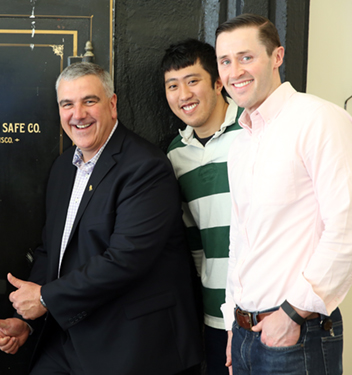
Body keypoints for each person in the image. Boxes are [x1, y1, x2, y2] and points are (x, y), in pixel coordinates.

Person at [0, 62, 202, 375]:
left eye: (90, 101)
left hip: (130, 344)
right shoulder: (64, 167)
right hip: (67, 337)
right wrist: (26, 319)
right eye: (67, 104)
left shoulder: (145, 167)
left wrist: (46, 299)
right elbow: (52, 251)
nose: (78, 114)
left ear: (112, 104)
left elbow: (126, 259)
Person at [215, 13, 352, 375]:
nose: (234, 71)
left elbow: (347, 225)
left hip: (297, 334)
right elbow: (240, 242)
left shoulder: (318, 119)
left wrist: (292, 314)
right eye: (225, 61)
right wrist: (233, 323)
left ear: (276, 57)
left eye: (246, 57)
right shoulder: (240, 143)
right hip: (246, 336)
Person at [162, 38, 242, 375]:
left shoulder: (253, 132)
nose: (183, 95)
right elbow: (193, 240)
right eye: (173, 86)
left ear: (218, 81)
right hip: (213, 314)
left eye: (193, 80)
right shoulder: (175, 155)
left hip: (265, 311)